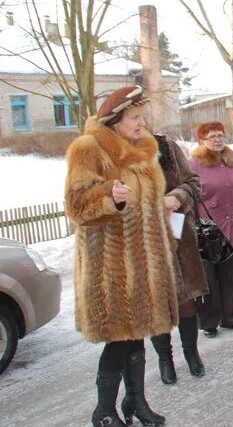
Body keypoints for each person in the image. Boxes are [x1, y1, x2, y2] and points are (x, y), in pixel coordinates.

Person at [65, 85, 175, 427]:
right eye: (135, 117)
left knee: (136, 336)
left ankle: (135, 402)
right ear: (115, 121)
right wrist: (109, 196)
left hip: (145, 264)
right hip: (111, 267)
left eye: (142, 116)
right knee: (118, 342)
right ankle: (103, 411)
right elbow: (76, 205)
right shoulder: (90, 149)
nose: (142, 123)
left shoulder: (143, 150)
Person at [148, 132, 209, 385]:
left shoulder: (167, 146)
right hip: (145, 242)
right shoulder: (119, 152)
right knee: (156, 306)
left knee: (186, 302)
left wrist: (177, 197)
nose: (140, 122)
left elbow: (194, 183)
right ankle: (165, 358)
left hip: (179, 238)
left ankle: (191, 352)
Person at [190, 122, 233, 338]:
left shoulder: (231, 161)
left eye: (220, 135)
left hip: (231, 223)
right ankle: (209, 321)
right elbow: (189, 193)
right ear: (202, 140)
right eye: (212, 136)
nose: (218, 139)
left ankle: (231, 316)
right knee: (209, 277)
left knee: (229, 274)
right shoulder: (194, 164)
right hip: (207, 226)